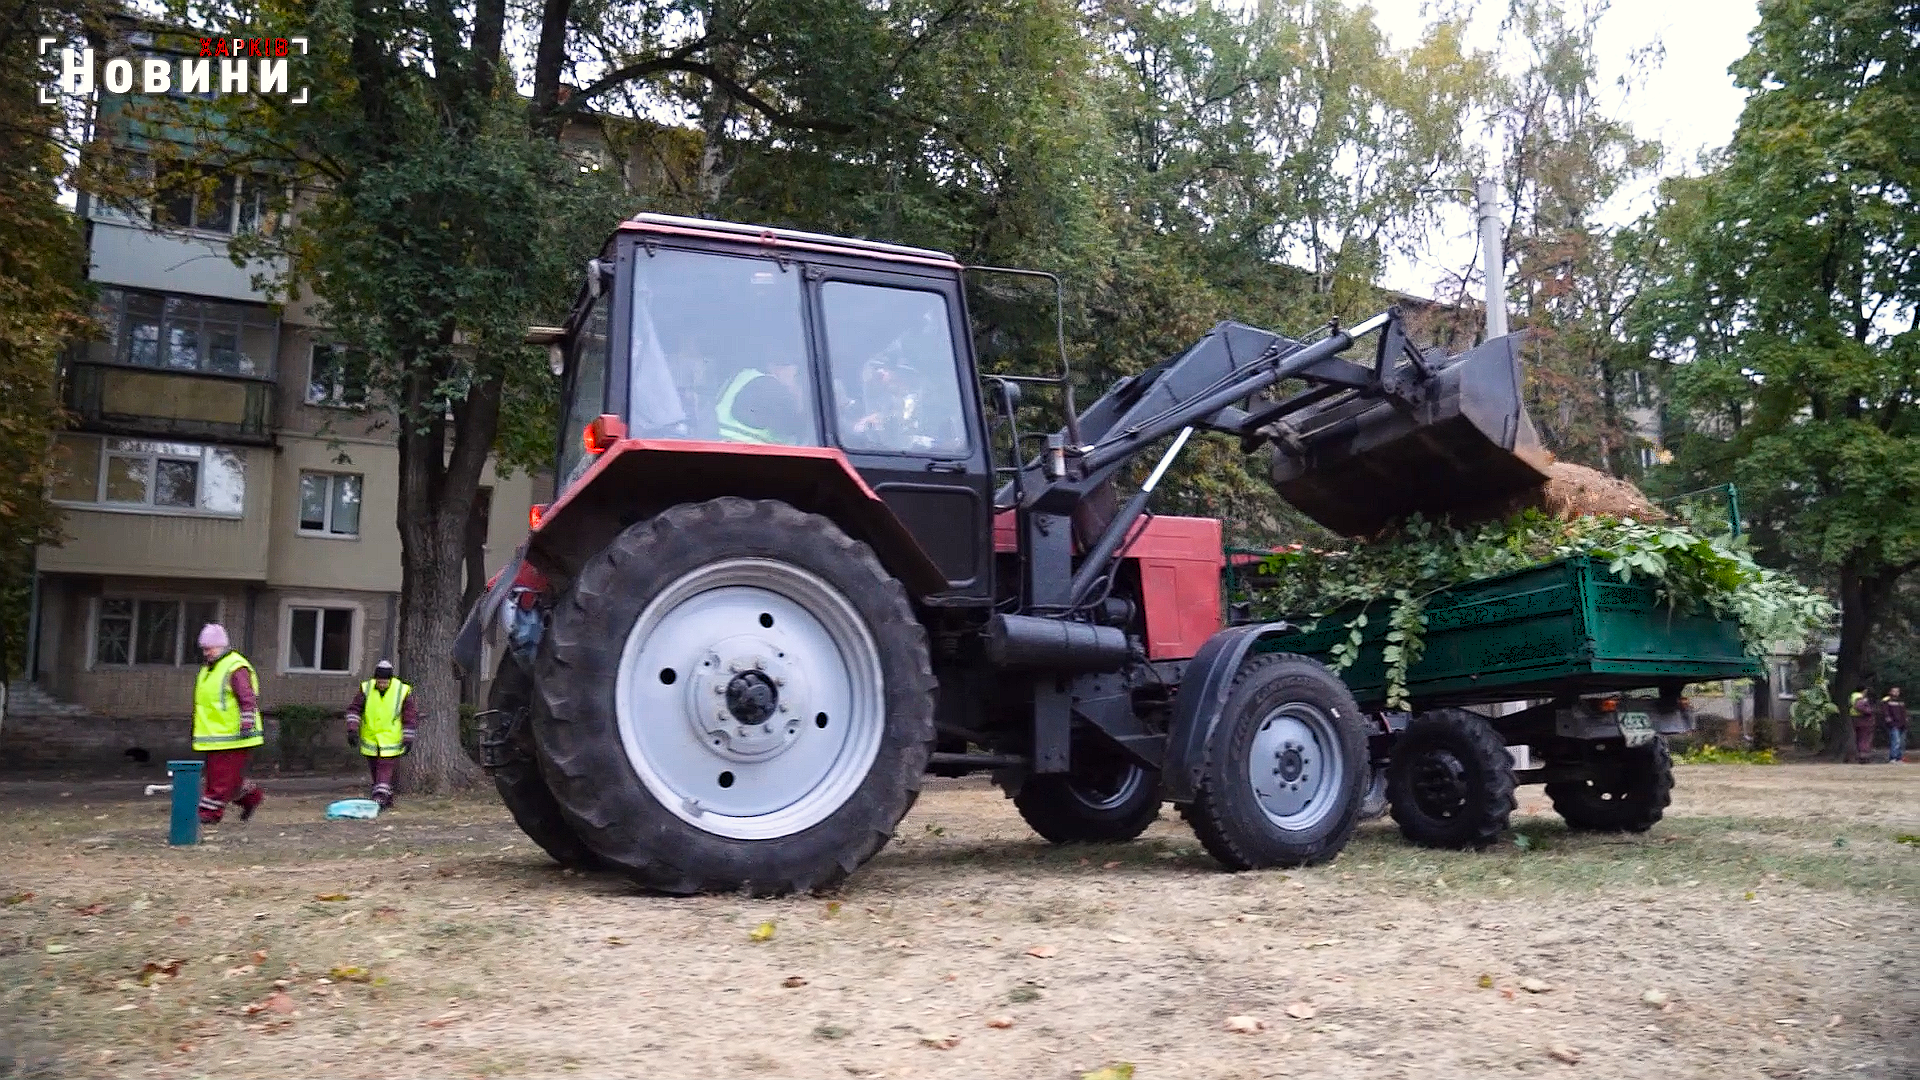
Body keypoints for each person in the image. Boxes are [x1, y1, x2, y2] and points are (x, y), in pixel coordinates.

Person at [191, 624, 264, 824]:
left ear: (221, 646)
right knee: (224, 778)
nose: (206, 653)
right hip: (217, 735)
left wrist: (246, 722)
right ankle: (251, 797)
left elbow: (247, 697)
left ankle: (209, 814)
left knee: (220, 779)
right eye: (204, 649)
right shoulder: (211, 668)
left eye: (210, 648)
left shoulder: (234, 667)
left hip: (234, 735)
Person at [344, 660, 418, 809]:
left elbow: (409, 716)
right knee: (375, 770)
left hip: (391, 738)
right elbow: (354, 710)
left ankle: (379, 798)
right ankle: (387, 797)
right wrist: (352, 729)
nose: (382, 684)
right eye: (379, 681)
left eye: (385, 682)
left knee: (384, 769)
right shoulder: (366, 689)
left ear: (390, 680)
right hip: (370, 738)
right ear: (375, 679)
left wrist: (408, 738)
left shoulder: (402, 691)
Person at [716, 357, 808, 444]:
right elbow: (798, 426)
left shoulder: (742, 376)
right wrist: (798, 394)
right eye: (798, 376)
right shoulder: (770, 389)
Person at [1850, 686, 1877, 762]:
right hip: (1864, 720)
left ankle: (1861, 754)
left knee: (1859, 738)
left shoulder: (1853, 696)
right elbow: (1859, 706)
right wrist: (1869, 711)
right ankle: (1864, 756)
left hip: (1856, 718)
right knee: (1864, 738)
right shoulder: (1860, 697)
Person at [1883, 686, 1908, 764]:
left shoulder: (1901, 701)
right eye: (1894, 691)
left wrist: (1906, 721)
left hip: (1902, 724)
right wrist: (1889, 721)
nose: (1896, 693)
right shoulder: (1887, 701)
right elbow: (1885, 712)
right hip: (1894, 724)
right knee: (1895, 741)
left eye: (1897, 691)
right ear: (1890, 692)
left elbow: (1904, 713)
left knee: (1901, 742)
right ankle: (1893, 758)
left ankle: (1899, 757)